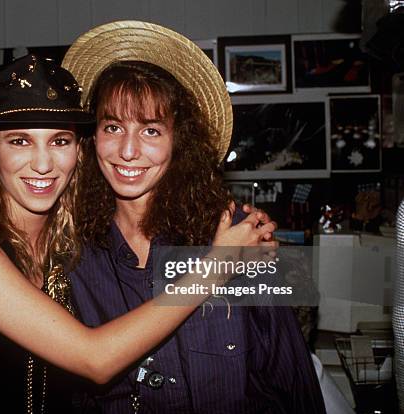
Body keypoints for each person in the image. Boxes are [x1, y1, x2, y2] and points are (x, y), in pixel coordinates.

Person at [0, 54, 270, 413]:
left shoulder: (70, 239)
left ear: (79, 148)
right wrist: (216, 267)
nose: (44, 163)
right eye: (20, 141)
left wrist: (254, 238)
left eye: (59, 140)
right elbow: (95, 360)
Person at [62, 21, 325, 413]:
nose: (128, 151)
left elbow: (292, 379)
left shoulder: (241, 236)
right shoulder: (70, 250)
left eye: (151, 130)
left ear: (179, 140)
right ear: (92, 137)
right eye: (113, 127)